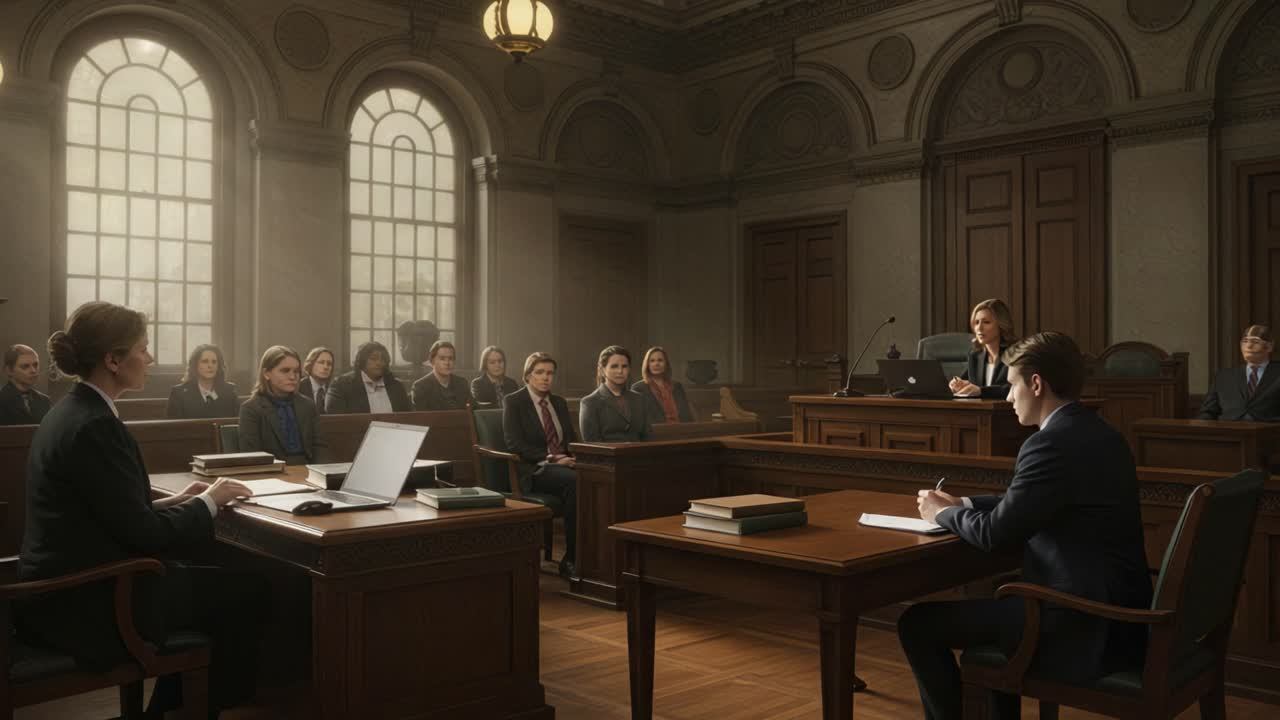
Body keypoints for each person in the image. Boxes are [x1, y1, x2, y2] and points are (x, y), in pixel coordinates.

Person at [17, 301, 264, 717]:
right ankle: (190, 710)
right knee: (251, 590)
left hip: (67, 587)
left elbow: (109, 510)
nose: (149, 358)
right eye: (143, 348)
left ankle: (170, 707)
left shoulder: (72, 410)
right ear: (113, 359)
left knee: (215, 572)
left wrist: (180, 500)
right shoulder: (95, 424)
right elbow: (143, 534)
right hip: (90, 600)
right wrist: (209, 500)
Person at [901, 332, 1152, 720]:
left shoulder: (1049, 444)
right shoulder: (1101, 433)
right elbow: (1028, 502)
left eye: (1012, 384)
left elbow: (995, 534)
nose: (1006, 396)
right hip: (1120, 616)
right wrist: (962, 503)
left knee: (916, 623)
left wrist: (940, 515)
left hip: (1078, 622)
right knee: (996, 621)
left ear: (1036, 384)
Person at [503, 352, 579, 579]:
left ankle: (595, 558)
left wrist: (579, 458)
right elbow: (514, 444)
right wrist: (554, 458)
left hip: (565, 465)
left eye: (550, 373)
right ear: (527, 376)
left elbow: (572, 440)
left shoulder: (558, 402)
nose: (546, 378)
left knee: (598, 478)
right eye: (540, 372)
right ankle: (572, 559)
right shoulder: (514, 401)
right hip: (533, 470)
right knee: (576, 482)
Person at [238, 345, 330, 465]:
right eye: (285, 371)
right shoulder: (251, 408)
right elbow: (252, 455)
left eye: (296, 371)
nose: (292, 377)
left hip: (310, 472)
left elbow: (320, 448)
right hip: (273, 474)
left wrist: (320, 475)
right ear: (266, 374)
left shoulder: (307, 405)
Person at [1199, 324, 1279, 422]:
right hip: (1229, 433)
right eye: (1245, 341)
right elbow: (1208, 412)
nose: (1248, 346)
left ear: (1269, 347)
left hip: (1270, 434)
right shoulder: (1224, 377)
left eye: (1255, 341)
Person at [580, 345, 652, 442]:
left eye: (624, 366)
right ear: (602, 370)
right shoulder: (590, 402)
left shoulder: (639, 399)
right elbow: (592, 443)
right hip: (607, 456)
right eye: (614, 366)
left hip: (639, 455)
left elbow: (648, 437)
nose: (620, 371)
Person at [948, 298, 1017, 399]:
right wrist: (957, 384)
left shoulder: (1016, 354)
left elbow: (1014, 388)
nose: (979, 328)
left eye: (986, 322)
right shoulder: (975, 356)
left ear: (1001, 325)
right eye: (976, 322)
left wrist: (981, 391)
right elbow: (963, 381)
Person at [324, 341, 412, 414]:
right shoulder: (341, 385)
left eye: (383, 359)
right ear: (362, 361)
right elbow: (335, 420)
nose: (379, 363)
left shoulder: (396, 386)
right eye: (374, 359)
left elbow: (407, 418)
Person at [165, 344, 241, 419]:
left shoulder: (229, 390)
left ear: (219, 366)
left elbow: (237, 423)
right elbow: (173, 428)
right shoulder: (179, 393)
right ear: (195, 365)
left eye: (214, 362)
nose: (210, 365)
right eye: (205, 361)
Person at [632, 346, 695, 423]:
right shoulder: (638, 388)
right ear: (647, 365)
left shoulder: (677, 386)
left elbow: (687, 415)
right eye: (652, 361)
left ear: (666, 364)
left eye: (660, 360)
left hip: (681, 430)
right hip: (655, 432)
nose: (656, 364)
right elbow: (639, 420)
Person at [411, 340, 473, 411]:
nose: (447, 363)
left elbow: (474, 410)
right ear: (432, 361)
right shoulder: (420, 387)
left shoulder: (462, 383)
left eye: (450, 358)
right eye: (442, 359)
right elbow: (422, 418)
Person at [0, 344, 52, 425]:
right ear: (9, 370)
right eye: (25, 366)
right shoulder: (2, 399)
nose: (33, 370)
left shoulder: (44, 401)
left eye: (35, 365)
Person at [297, 346, 335, 415]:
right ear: (310, 364)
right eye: (321, 362)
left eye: (329, 364)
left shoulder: (334, 389)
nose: (326, 367)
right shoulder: (298, 387)